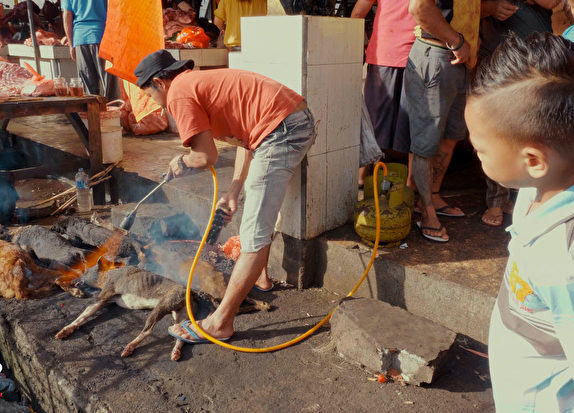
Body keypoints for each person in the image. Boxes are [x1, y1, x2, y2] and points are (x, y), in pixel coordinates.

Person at [134, 50, 316, 343]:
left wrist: (181, 161)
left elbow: (205, 157)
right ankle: (260, 279)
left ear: (159, 82)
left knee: (254, 231)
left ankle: (220, 323)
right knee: (258, 215)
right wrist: (233, 190)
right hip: (287, 123)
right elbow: (247, 137)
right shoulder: (197, 83)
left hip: (283, 128)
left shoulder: (178, 92)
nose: (154, 102)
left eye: (149, 95)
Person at [467, 32, 574, 412]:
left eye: (480, 149)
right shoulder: (563, 172)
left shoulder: (565, 263)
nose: (477, 155)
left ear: (534, 161)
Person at [399, 0, 482, 242]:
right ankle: (426, 211)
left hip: (460, 60)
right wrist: (457, 42)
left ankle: (431, 197)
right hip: (436, 55)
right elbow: (419, 7)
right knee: (426, 142)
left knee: (452, 134)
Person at [478, 0, 556, 226]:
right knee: (498, 129)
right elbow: (467, 10)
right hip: (498, 59)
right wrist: (491, 8)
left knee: (532, 131)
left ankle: (525, 198)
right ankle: (497, 200)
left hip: (537, 60)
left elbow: (553, 2)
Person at [351, 0, 415, 188]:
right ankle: (411, 184)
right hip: (417, 54)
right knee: (415, 123)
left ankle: (361, 176)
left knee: (373, 119)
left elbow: (358, 13)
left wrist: (354, 49)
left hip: (384, 52)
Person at [62, 0, 119, 100]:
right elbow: (115, 9)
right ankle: (111, 108)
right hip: (103, 36)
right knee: (109, 88)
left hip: (81, 39)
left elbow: (67, 15)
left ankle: (92, 109)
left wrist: (71, 45)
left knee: (88, 90)